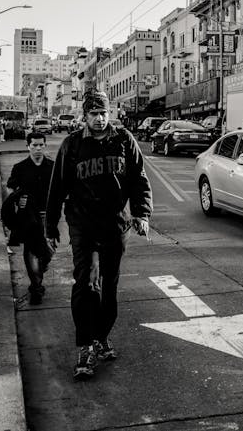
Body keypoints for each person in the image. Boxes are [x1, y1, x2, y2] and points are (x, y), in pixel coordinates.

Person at [45, 89, 153, 380]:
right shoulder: (72, 145)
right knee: (86, 282)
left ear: (110, 113)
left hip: (114, 224)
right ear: (85, 116)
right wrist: (51, 226)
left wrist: (142, 214)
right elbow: (57, 188)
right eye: (94, 113)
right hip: (82, 224)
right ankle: (85, 345)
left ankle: (101, 336)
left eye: (103, 113)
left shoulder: (123, 140)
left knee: (109, 285)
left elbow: (138, 179)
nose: (99, 118)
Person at [5, 132, 54, 305]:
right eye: (34, 145)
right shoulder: (20, 168)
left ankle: (40, 271)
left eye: (41, 145)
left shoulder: (52, 167)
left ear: (45, 145)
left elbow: (61, 189)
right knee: (31, 250)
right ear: (28, 146)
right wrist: (18, 198)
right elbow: (10, 188)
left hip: (49, 215)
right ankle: (36, 288)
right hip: (29, 217)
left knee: (48, 250)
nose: (38, 148)